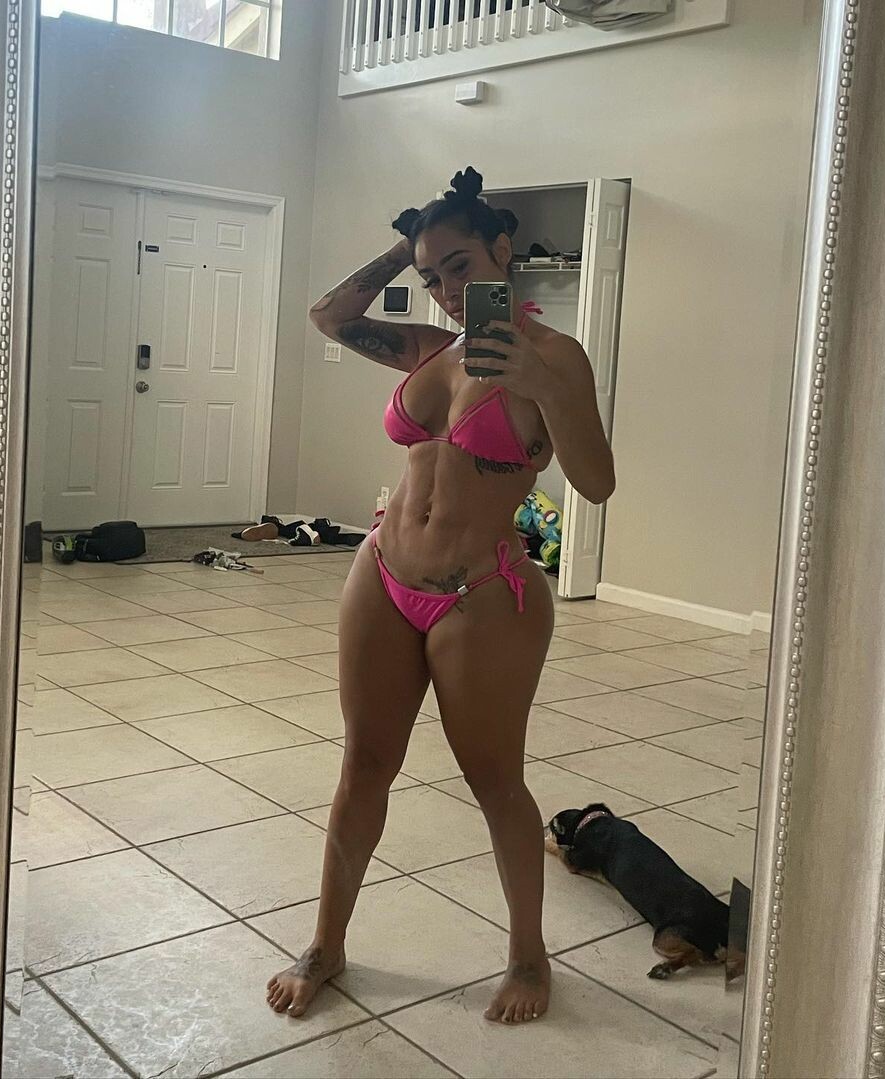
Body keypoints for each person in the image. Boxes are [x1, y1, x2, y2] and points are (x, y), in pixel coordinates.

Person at [266, 166, 615, 1024]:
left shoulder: (556, 358)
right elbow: (329, 316)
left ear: (503, 249)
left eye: (460, 266)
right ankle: (326, 945)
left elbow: (597, 483)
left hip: (481, 593)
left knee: (494, 781)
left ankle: (528, 956)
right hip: (382, 573)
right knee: (363, 764)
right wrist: (409, 243)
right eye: (432, 277)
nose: (449, 292)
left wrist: (539, 386)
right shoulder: (428, 348)